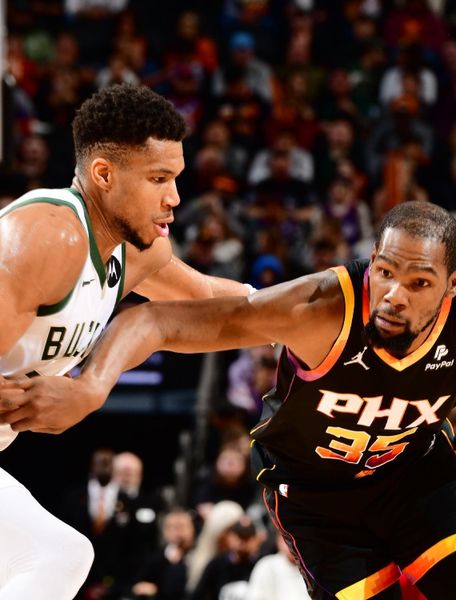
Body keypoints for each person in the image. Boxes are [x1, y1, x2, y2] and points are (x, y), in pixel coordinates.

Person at [4, 202, 456, 599]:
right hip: (318, 496)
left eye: (417, 282)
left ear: (450, 287)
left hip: (416, 480)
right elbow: (156, 317)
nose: (393, 293)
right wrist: (91, 385)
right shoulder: (327, 304)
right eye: (385, 271)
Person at [0, 83, 253, 599]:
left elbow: (207, 297)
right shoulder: (48, 237)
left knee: (61, 556)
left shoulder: (133, 251)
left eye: (176, 178)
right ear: (103, 175)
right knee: (56, 556)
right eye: (159, 179)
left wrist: (318, 309)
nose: (175, 197)